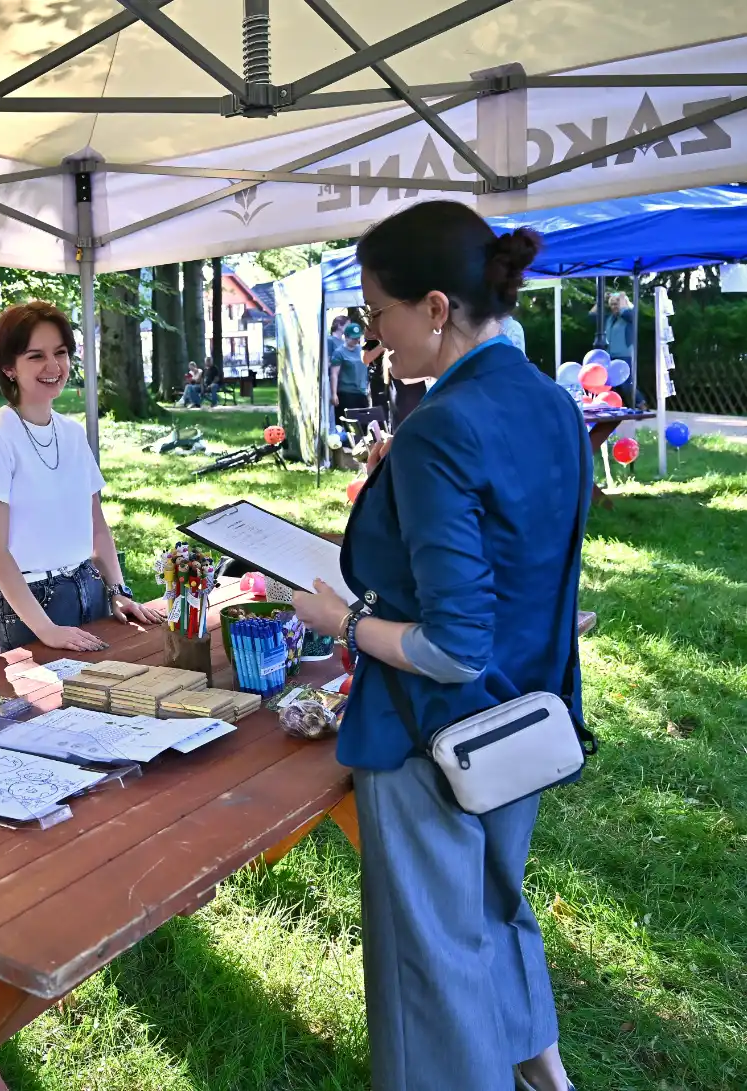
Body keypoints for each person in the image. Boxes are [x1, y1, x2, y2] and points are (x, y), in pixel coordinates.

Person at [292, 200, 589, 1091]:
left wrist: (340, 621)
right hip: (525, 709)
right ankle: (541, 1072)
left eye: (375, 311)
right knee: (493, 905)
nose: (371, 334)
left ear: (432, 307)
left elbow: (453, 645)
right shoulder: (550, 402)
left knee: (428, 959)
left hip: (430, 728)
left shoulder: (439, 426)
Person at [0, 301, 164, 652]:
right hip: (30, 606)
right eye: (36, 356)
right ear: (9, 368)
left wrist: (118, 590)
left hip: (90, 587)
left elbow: (96, 524)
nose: (54, 366)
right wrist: (47, 629)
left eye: (60, 352)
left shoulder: (72, 432)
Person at [329, 321, 371, 420]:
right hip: (346, 393)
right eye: (353, 338)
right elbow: (334, 374)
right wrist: (334, 394)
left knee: (363, 423)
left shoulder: (362, 350)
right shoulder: (339, 353)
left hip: (361, 394)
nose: (356, 340)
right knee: (348, 423)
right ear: (346, 337)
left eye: (357, 338)